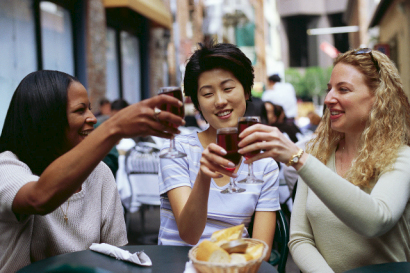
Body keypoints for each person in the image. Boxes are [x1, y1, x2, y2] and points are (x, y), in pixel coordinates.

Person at [237, 48, 410, 272]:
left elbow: (376, 219)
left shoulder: (401, 156)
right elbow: (299, 238)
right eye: (329, 89)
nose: (328, 99)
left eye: (343, 89)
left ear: (378, 97)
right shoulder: (319, 154)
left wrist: (297, 158)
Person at [0, 70, 185, 273]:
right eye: (80, 110)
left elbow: (118, 253)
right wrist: (114, 127)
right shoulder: (7, 166)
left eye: (90, 109)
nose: (92, 118)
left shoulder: (99, 172)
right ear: (47, 117)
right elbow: (39, 198)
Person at [157, 43, 280, 260]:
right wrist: (204, 176)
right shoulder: (178, 151)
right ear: (197, 104)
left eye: (228, 88)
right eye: (207, 93)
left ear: (247, 90)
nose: (220, 101)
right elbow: (189, 234)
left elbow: (261, 249)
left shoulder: (264, 164)